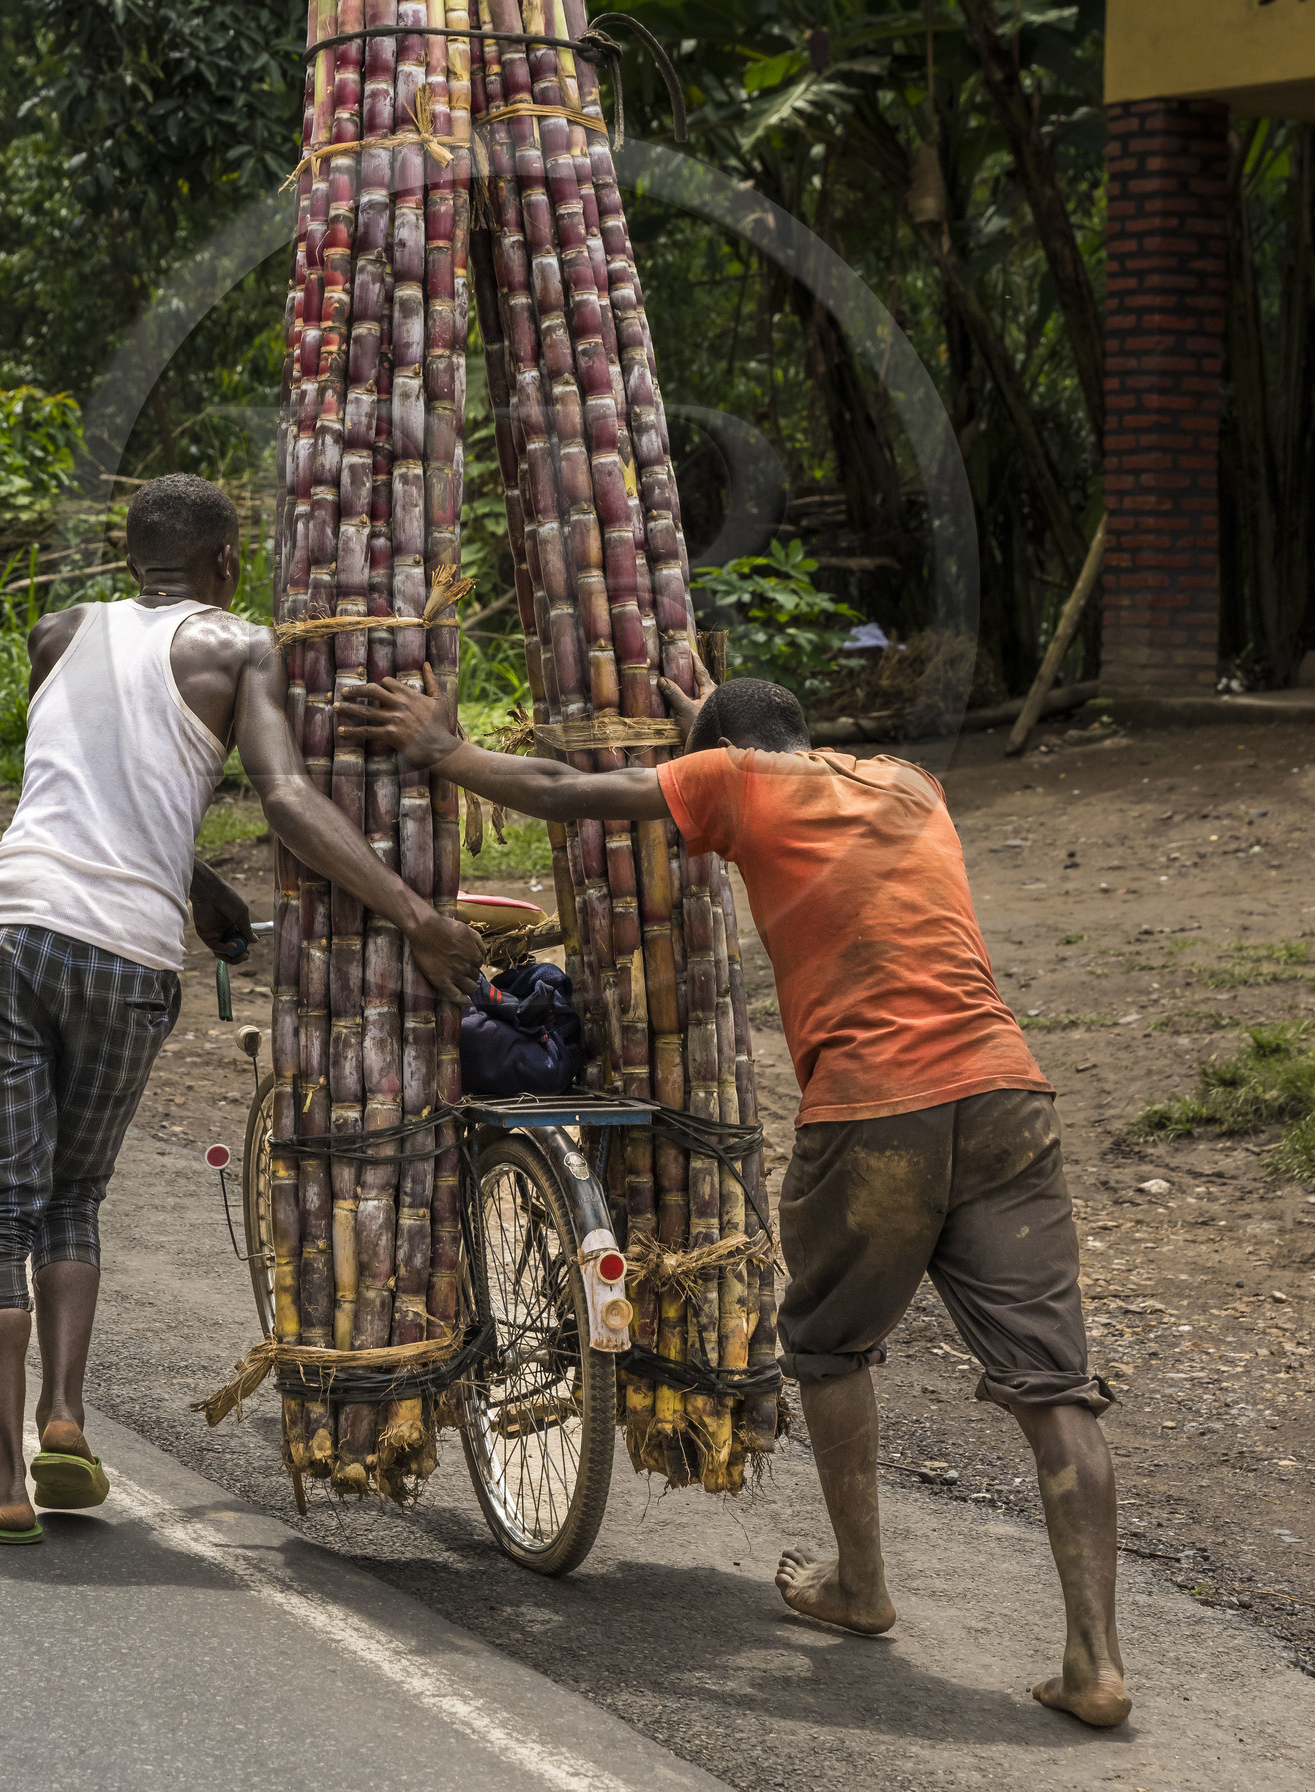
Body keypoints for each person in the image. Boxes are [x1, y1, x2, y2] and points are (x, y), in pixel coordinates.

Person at [337, 655, 1129, 1731]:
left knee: (828, 1347)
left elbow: (569, 796)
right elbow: (751, 771)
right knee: (1055, 1387)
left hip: (875, 1109)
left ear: (722, 751)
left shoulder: (737, 784)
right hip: (1006, 1098)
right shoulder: (905, 783)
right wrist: (705, 739)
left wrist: (443, 750)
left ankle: (858, 1584)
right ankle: (1094, 1664)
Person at [0, 473, 483, 1547]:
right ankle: (64, 1417)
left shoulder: (57, 630)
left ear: (133, 559)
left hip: (18, 928)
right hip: (131, 959)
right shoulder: (237, 647)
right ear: (227, 566)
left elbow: (84, 786)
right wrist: (413, 913)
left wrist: (196, 880)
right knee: (71, 1198)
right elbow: (280, 796)